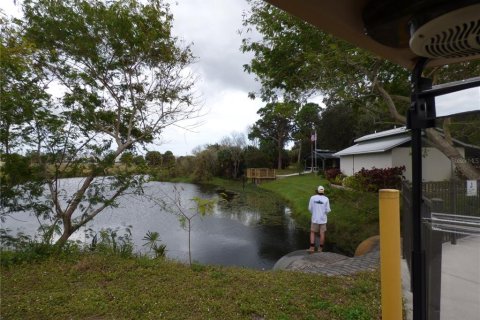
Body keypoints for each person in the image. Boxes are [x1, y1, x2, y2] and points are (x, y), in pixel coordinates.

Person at [308, 185, 331, 253]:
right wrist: (323, 214)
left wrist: (314, 213)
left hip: (315, 219)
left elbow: (310, 208)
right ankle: (320, 249)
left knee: (312, 232)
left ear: (317, 191)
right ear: (323, 192)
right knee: (322, 233)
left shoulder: (312, 198)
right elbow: (328, 210)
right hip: (323, 220)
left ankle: (312, 247)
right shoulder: (326, 199)